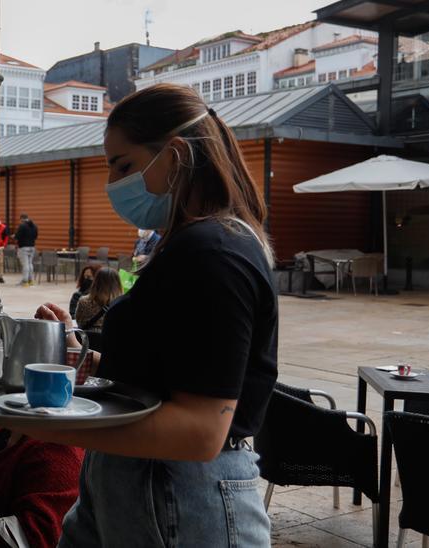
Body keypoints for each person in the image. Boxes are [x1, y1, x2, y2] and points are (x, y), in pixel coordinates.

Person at [19, 83, 277, 546]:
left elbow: (201, 431)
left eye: (124, 166)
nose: (114, 184)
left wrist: (37, 421)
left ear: (175, 155)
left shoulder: (213, 251)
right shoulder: (188, 244)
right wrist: (83, 359)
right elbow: (170, 372)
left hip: (182, 491)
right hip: (138, 483)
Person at [75, 267, 122, 333]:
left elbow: (79, 322)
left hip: (87, 341)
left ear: (95, 281)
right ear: (118, 284)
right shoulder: (121, 304)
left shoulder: (83, 301)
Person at [16, 214, 39, 287]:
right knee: (30, 264)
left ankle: (25, 281)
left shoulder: (22, 226)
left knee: (25, 264)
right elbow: (35, 236)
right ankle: (30, 280)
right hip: (32, 247)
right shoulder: (34, 226)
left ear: (22, 219)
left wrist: (15, 236)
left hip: (23, 247)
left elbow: (17, 236)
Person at [0, 219, 9, 284]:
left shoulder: (3, 227)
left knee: (0, 263)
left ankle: (1, 276)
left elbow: (6, 237)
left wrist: (3, 245)